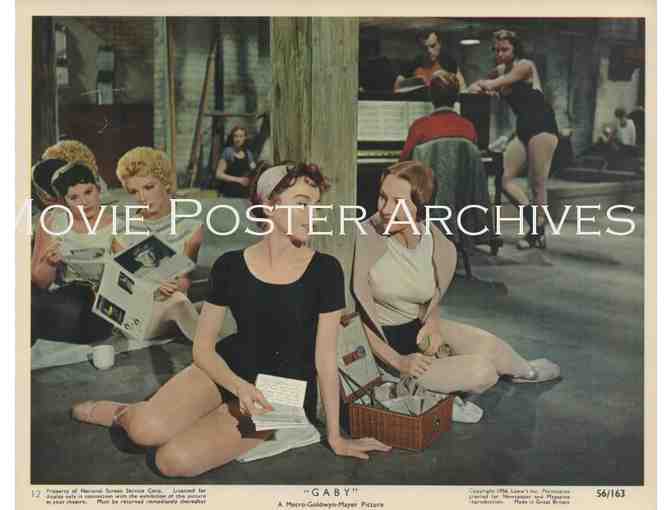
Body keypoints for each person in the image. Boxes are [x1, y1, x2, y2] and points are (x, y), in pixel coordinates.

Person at [72, 162, 391, 477]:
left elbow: (325, 360)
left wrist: (335, 437)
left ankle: (186, 417)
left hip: (279, 392)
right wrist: (238, 386)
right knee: (143, 430)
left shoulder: (326, 270)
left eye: (315, 206)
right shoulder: (230, 266)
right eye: (302, 204)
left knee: (172, 460)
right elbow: (203, 349)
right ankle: (123, 412)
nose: (313, 216)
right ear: (269, 206)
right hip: (227, 368)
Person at [352, 161, 561, 421]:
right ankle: (419, 394)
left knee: (495, 349)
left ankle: (524, 372)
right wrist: (398, 361)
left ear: (420, 206)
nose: (385, 209)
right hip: (384, 348)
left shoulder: (432, 238)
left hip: (418, 330)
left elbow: (429, 297)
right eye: (383, 197)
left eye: (398, 202)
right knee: (484, 372)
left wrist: (432, 324)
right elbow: (351, 319)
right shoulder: (363, 238)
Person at [468, 30, 559, 249]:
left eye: (505, 49)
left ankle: (536, 233)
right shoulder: (500, 70)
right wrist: (482, 86)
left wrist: (487, 86)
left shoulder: (525, 66)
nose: (500, 54)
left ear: (515, 49)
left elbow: (492, 84)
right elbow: (478, 86)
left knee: (537, 183)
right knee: (503, 180)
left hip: (542, 126)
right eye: (497, 50)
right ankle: (535, 224)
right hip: (523, 128)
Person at [115, 147, 203, 341]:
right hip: (136, 316)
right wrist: (152, 286)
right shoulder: (123, 231)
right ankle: (216, 350)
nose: (142, 198)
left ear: (166, 183)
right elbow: (121, 286)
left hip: (172, 303)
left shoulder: (190, 228)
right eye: (134, 191)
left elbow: (184, 281)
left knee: (193, 303)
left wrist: (174, 285)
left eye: (148, 187)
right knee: (181, 304)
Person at [31, 159, 117, 344]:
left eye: (88, 192)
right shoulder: (54, 222)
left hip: (103, 300)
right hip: (66, 295)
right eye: (74, 197)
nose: (84, 202)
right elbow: (40, 282)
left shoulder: (120, 224)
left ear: (98, 189)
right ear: (65, 201)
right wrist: (50, 262)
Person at [399, 70, 477, 161]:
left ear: (431, 96)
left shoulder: (419, 126)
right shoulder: (469, 127)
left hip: (427, 171)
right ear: (456, 97)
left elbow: (403, 163)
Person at [394, 30, 465, 92]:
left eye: (433, 46)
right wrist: (413, 82)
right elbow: (397, 87)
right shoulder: (414, 63)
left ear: (440, 44)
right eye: (424, 48)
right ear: (420, 47)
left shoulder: (448, 62)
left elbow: (462, 88)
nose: (429, 51)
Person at [214, 126, 257, 198]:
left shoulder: (248, 154)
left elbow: (254, 171)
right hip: (228, 195)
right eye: (235, 136)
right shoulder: (228, 152)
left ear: (245, 138)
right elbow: (218, 174)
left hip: (244, 196)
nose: (238, 139)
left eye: (241, 136)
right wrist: (238, 180)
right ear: (232, 138)